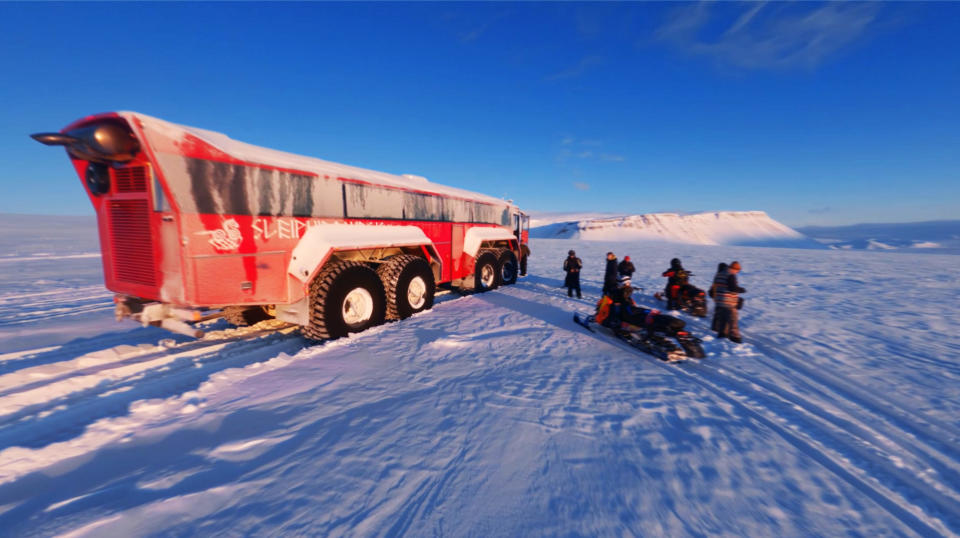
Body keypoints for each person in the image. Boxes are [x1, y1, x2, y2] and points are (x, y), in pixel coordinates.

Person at [713, 260, 746, 343]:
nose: (737, 272)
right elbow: (732, 288)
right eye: (737, 271)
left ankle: (722, 336)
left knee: (723, 321)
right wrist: (741, 290)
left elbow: (715, 286)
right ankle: (735, 339)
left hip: (719, 301)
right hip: (728, 302)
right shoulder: (731, 275)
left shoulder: (719, 274)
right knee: (733, 321)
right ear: (735, 269)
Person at [709, 262, 728, 332]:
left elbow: (714, 285)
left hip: (718, 296)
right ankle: (718, 327)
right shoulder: (725, 274)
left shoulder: (718, 275)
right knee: (720, 313)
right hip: (722, 297)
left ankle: (715, 327)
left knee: (718, 312)